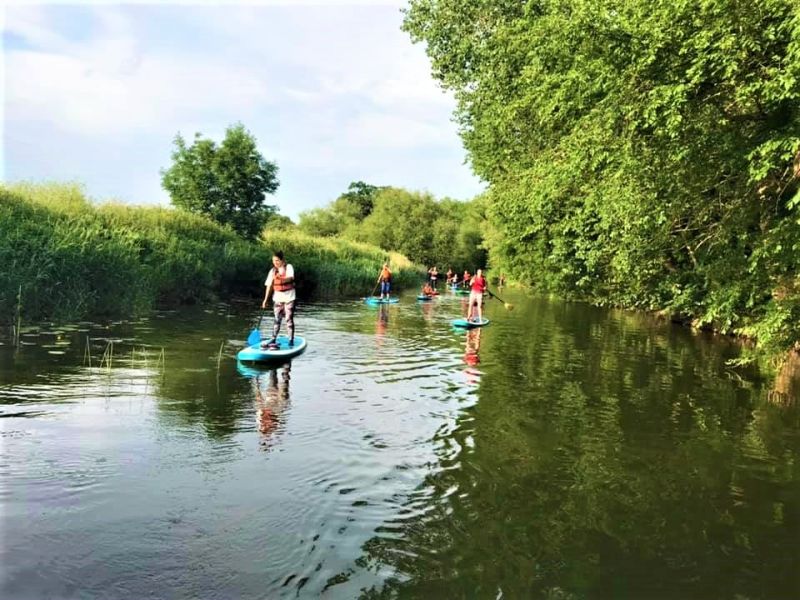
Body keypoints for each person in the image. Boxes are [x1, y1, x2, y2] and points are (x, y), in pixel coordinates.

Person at [261, 250, 296, 348]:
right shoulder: (272, 271)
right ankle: (273, 338)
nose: (275, 263)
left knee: (289, 319)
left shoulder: (288, 267)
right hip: (277, 299)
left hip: (289, 298)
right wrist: (265, 300)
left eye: (277, 260)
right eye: (273, 261)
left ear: (282, 260)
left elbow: (291, 278)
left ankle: (291, 340)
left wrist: (280, 279)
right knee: (277, 320)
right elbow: (269, 286)